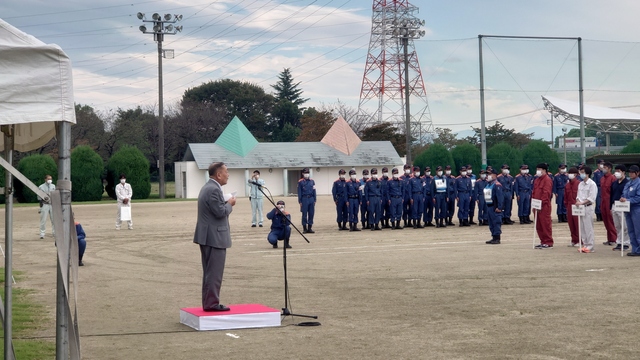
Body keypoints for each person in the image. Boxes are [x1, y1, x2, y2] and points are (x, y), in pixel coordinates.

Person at [193, 162, 236, 312]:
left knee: (210, 272)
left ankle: (209, 302)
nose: (228, 174)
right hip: (214, 237)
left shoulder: (208, 187)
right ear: (218, 174)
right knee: (214, 273)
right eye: (226, 171)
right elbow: (220, 212)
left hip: (208, 236)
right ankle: (212, 303)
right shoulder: (213, 189)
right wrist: (230, 203)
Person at [576, 166, 598, 253]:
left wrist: (581, 203)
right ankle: (585, 244)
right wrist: (578, 201)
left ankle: (590, 246)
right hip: (580, 208)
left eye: (582, 172)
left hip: (587, 207)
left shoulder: (592, 184)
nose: (581, 174)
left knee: (588, 227)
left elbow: (592, 198)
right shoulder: (580, 184)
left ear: (587, 173)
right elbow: (578, 195)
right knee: (582, 227)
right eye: (580, 172)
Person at [533, 163, 554, 249]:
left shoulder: (547, 180)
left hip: (544, 206)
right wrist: (534, 204)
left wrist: (541, 204)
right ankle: (542, 241)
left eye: (539, 169)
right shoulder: (537, 180)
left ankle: (548, 242)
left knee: (545, 224)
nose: (538, 171)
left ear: (544, 170)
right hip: (536, 205)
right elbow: (534, 192)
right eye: (537, 169)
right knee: (539, 225)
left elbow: (546, 193)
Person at [621, 165, 640, 257]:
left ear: (638, 173)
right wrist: (622, 199)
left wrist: (627, 200)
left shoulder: (639, 183)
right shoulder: (628, 183)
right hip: (627, 209)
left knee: (638, 230)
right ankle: (635, 249)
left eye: (633, 172)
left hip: (636, 209)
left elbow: (638, 198)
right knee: (631, 230)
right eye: (630, 172)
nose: (631, 173)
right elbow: (624, 194)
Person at [610, 165, 630, 251]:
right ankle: (619, 242)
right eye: (616, 171)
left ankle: (625, 243)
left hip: (623, 205)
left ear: (623, 172)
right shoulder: (614, 183)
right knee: (617, 225)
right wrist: (610, 206)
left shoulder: (627, 183)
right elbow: (611, 195)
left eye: (619, 171)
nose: (616, 173)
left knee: (624, 225)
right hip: (615, 205)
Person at [484, 169, 504, 244]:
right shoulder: (488, 184)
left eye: (490, 174)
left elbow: (500, 197)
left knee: (496, 222)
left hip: (494, 207)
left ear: (495, 175)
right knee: (491, 223)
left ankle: (497, 238)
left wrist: (499, 207)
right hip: (489, 206)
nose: (488, 176)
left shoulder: (497, 184)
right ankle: (493, 237)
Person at [599, 162, 617, 246]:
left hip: (609, 201)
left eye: (605, 167)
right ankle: (609, 238)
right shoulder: (602, 179)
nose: (603, 169)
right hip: (603, 201)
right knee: (605, 220)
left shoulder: (613, 178)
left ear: (609, 169)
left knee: (611, 220)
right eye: (603, 167)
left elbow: (614, 192)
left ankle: (614, 239)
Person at [564, 167, 580, 247]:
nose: (570, 175)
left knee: (578, 224)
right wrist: (566, 205)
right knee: (571, 224)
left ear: (576, 174)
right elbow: (565, 197)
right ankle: (573, 240)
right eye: (569, 173)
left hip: (577, 206)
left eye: (572, 173)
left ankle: (580, 240)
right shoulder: (567, 185)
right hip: (569, 206)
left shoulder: (579, 184)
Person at [298, 168, 317, 234]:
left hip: (311, 198)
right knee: (304, 214)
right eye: (305, 173)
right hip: (304, 199)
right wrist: (300, 201)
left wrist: (315, 199)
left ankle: (310, 227)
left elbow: (314, 190)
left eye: (308, 173)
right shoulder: (300, 182)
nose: (307, 174)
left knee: (311, 213)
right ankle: (304, 228)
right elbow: (299, 192)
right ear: (303, 173)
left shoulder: (312, 181)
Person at [38, 174, 56, 239]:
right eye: (48, 179)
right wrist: (40, 207)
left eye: (50, 179)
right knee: (43, 220)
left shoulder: (53, 186)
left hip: (52, 204)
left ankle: (55, 233)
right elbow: (39, 197)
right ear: (45, 179)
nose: (50, 180)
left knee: (54, 219)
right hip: (44, 204)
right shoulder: (41, 187)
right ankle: (42, 233)